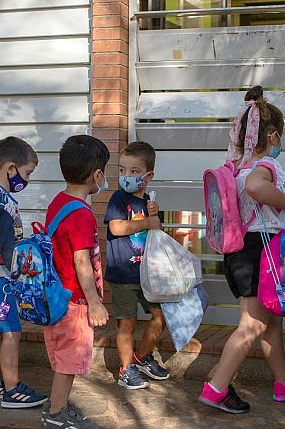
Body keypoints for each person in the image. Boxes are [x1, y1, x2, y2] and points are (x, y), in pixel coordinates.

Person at [199, 86, 285, 414]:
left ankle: (284, 382)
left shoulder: (234, 167)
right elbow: (256, 188)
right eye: (283, 136)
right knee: (251, 325)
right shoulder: (264, 168)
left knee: (269, 321)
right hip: (261, 250)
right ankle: (217, 387)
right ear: (273, 135)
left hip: (240, 252)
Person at [41, 135, 111, 428]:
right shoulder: (82, 214)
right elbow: (82, 261)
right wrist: (94, 303)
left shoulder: (58, 202)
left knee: (62, 355)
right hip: (74, 300)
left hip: (56, 295)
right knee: (70, 359)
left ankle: (57, 403)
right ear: (96, 175)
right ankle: (57, 415)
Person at [0, 136, 47, 408]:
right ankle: (12, 389)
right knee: (11, 333)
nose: (26, 180)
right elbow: (7, 250)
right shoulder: (2, 202)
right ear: (10, 168)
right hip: (1, 279)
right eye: (27, 173)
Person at [104, 141, 170, 390]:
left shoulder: (149, 202)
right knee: (127, 322)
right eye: (122, 170)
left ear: (148, 175)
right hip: (123, 275)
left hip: (146, 275)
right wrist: (147, 223)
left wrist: (154, 216)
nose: (126, 176)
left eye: (133, 171)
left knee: (159, 316)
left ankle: (141, 358)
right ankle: (125, 369)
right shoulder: (118, 198)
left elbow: (157, 236)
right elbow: (116, 227)